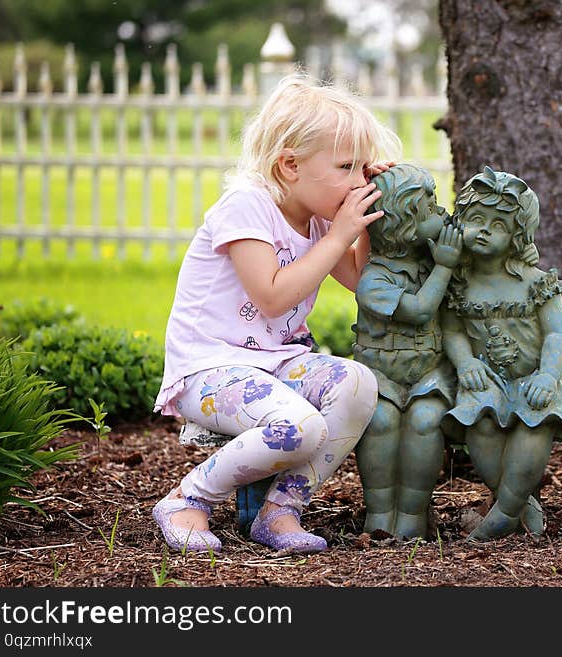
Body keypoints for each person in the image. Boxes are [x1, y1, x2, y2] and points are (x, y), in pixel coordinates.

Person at [151, 73, 399, 554]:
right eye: (347, 167)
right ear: (289, 165)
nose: (358, 181)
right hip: (208, 370)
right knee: (300, 428)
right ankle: (187, 499)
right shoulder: (247, 206)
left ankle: (280, 511)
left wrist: (365, 225)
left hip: (275, 361)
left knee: (358, 384)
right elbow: (271, 296)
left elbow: (360, 283)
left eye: (363, 170)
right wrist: (337, 235)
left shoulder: (321, 218)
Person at [441, 167, 562, 542]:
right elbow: (452, 329)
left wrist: (547, 375)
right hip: (487, 379)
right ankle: (520, 505)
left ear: (516, 236)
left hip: (533, 380)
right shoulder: (458, 283)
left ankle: (505, 512)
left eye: (499, 224)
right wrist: (466, 362)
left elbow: (559, 332)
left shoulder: (535, 282)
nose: (485, 229)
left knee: (534, 426)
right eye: (476, 219)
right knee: (480, 426)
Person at [352, 164, 462, 539]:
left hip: (428, 373)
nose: (443, 213)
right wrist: (445, 268)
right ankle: (380, 512)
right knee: (380, 423)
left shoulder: (433, 260)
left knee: (427, 420)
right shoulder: (374, 278)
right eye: (431, 210)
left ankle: (413, 513)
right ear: (404, 226)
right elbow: (418, 311)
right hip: (380, 377)